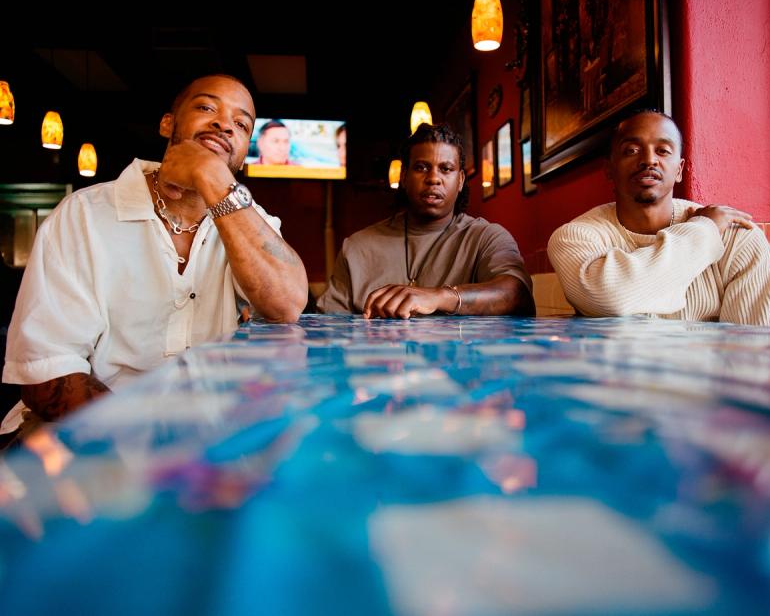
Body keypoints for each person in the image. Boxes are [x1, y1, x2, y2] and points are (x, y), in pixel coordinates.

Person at [2, 74, 309, 430]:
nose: (224, 124)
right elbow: (47, 371)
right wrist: (145, 447)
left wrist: (214, 179)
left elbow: (286, 304)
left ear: (243, 151)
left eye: (240, 123)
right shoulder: (83, 213)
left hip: (209, 432)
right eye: (207, 107)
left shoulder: (251, 222)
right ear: (168, 124)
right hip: (89, 434)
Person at [547, 109, 770, 327]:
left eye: (663, 151)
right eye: (631, 150)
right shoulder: (575, 237)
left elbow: (760, 348)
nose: (649, 160)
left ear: (679, 170)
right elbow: (609, 297)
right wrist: (703, 231)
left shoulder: (736, 238)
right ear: (609, 168)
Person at [317, 123, 534, 318]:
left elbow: (517, 293)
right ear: (403, 176)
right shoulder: (356, 247)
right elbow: (328, 327)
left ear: (460, 181)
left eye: (446, 169)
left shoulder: (486, 237)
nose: (433, 178)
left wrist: (440, 297)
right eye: (421, 167)